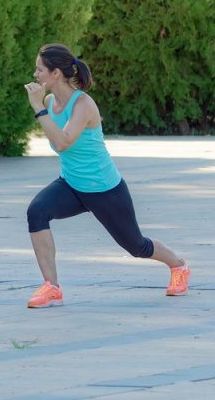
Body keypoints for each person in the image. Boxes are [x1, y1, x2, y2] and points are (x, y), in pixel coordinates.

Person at [23, 43, 190, 308]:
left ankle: (179, 266)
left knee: (137, 246)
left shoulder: (84, 104)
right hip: (71, 185)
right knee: (37, 212)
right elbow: (60, 142)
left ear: (56, 73)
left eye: (40, 69)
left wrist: (38, 109)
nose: (35, 75)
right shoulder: (52, 101)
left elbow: (64, 142)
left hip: (104, 189)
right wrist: (43, 108)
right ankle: (51, 287)